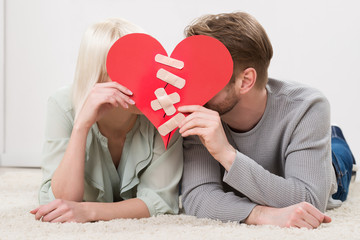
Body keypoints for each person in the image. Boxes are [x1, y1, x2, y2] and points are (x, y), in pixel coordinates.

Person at [179, 12, 355, 229]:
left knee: (338, 160)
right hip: (285, 157)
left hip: (331, 164)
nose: (193, 87)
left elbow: (310, 200)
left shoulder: (307, 106)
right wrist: (261, 215)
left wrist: (226, 153)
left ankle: (332, 137)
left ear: (245, 81)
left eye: (206, 76)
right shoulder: (200, 109)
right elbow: (197, 196)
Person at [30, 18, 183, 223]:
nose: (145, 80)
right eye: (129, 69)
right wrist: (81, 127)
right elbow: (61, 202)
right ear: (99, 76)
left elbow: (160, 200)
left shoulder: (165, 111)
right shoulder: (62, 105)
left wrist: (89, 211)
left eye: (147, 67)